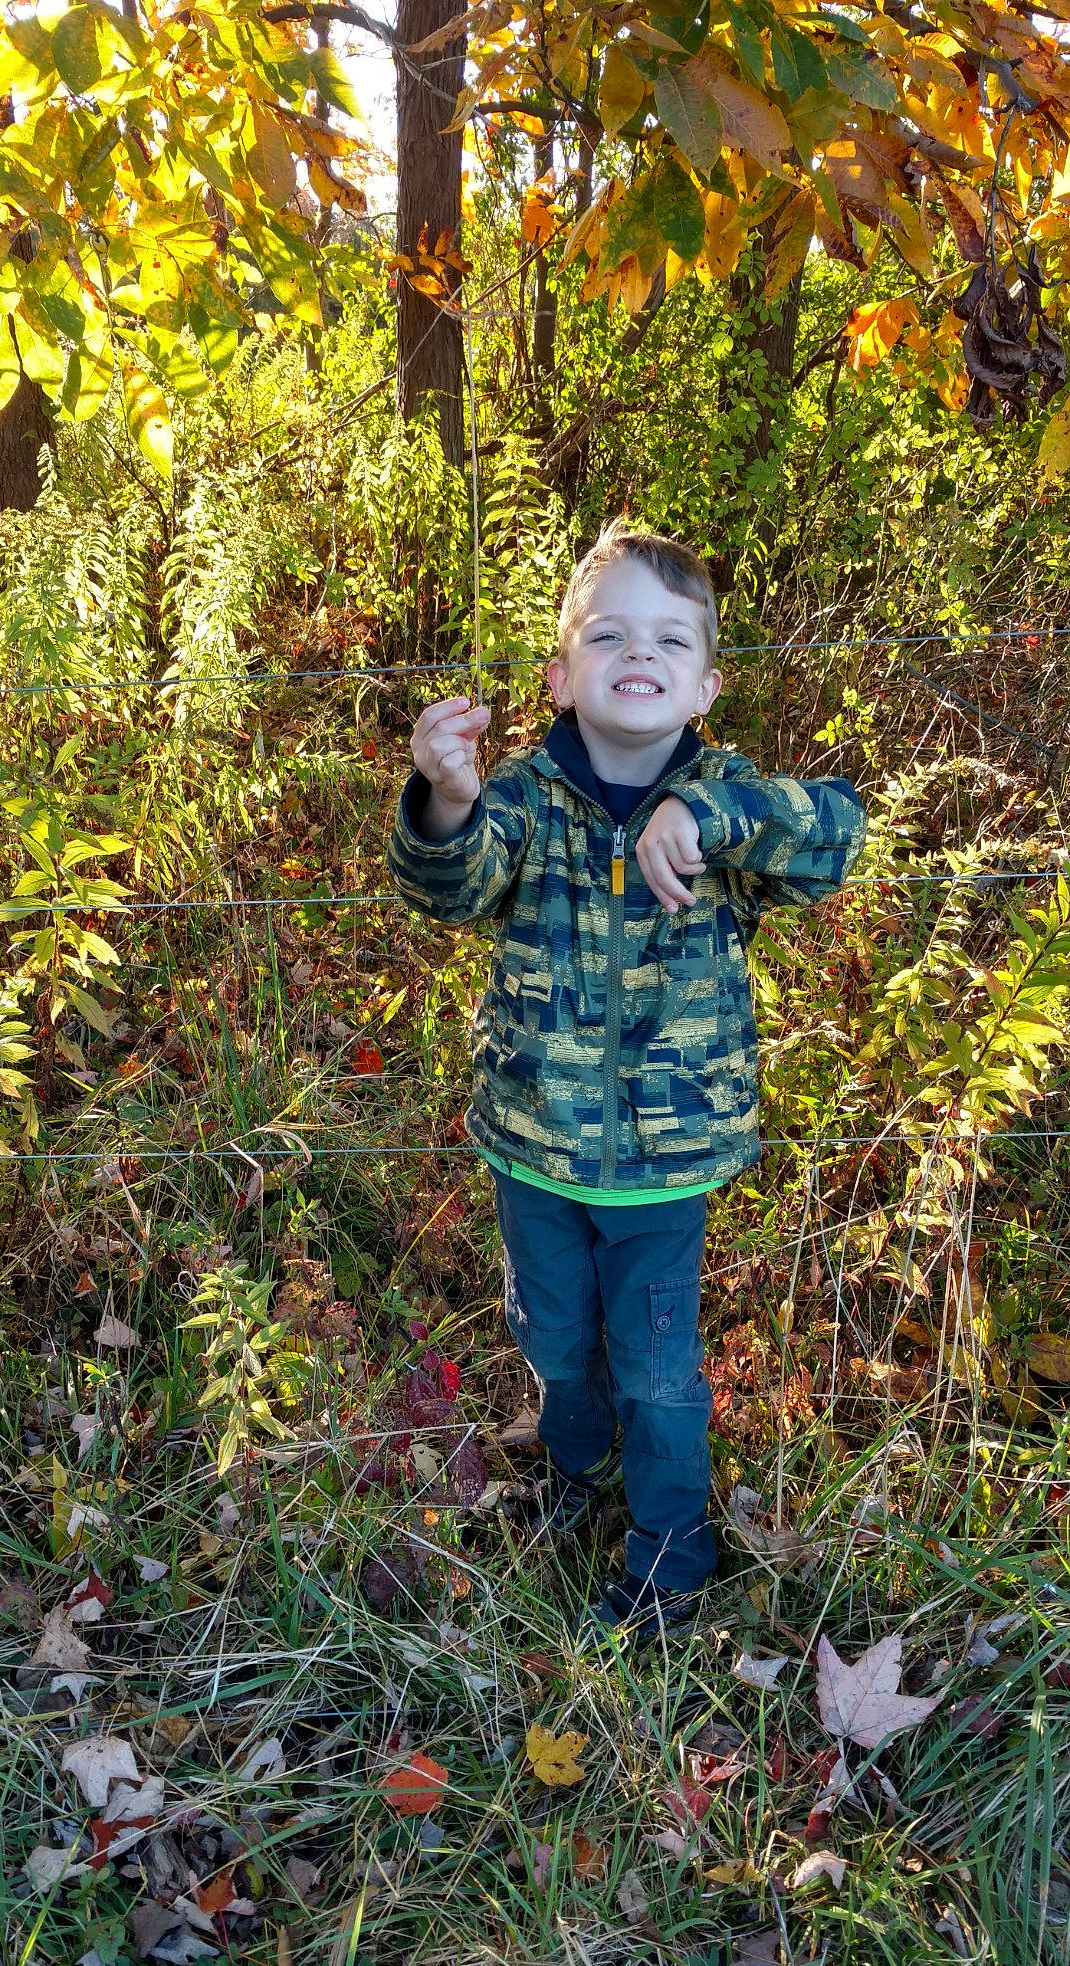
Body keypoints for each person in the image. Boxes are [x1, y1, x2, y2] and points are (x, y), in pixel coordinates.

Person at [387, 520, 867, 1646]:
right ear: (561, 675)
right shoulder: (522, 797)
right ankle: (577, 1471)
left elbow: (837, 830)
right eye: (606, 634)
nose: (634, 652)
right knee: (553, 1339)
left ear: (703, 681)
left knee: (656, 1367)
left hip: (665, 1165)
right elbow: (449, 888)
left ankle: (669, 1559)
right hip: (533, 1144)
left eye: (665, 638)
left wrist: (710, 817)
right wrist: (444, 794)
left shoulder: (724, 799)